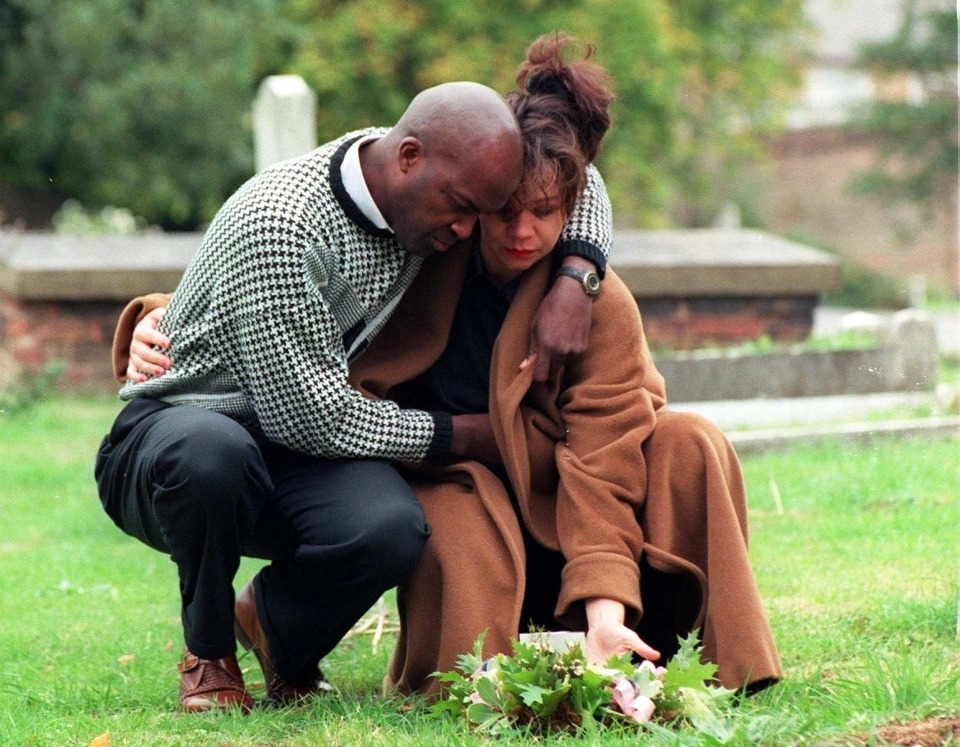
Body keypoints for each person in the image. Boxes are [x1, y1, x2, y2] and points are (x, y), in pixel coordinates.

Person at [115, 35, 782, 698]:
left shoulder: (586, 290)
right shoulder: (427, 248)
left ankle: (702, 656)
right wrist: (159, 312)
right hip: (443, 477)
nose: (519, 231)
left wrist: (577, 274)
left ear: (570, 206)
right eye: (497, 213)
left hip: (575, 504)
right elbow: (294, 295)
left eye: (545, 213)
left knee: (692, 439)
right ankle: (465, 673)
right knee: (429, 503)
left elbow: (604, 453)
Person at [95, 79, 615, 714]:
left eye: (479, 210)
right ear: (409, 158)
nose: (465, 228)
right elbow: (312, 419)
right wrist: (461, 435)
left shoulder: (427, 192)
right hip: (179, 430)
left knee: (389, 529)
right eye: (460, 207)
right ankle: (208, 655)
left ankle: (278, 634)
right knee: (215, 454)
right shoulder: (283, 227)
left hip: (288, 447)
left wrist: (577, 274)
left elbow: (566, 175)